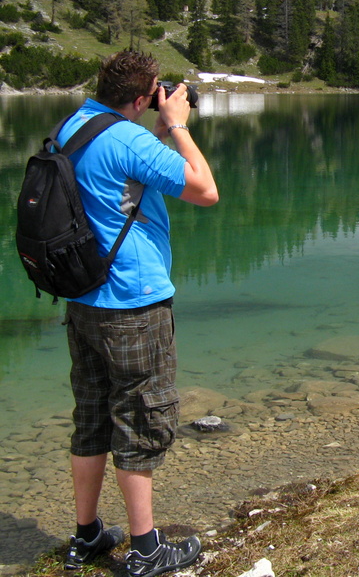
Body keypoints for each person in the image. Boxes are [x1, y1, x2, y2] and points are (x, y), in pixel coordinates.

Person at [57, 50, 219, 577]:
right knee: (141, 418)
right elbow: (205, 189)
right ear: (143, 95)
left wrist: (149, 118)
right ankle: (146, 548)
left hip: (83, 296)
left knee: (92, 415)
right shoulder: (132, 141)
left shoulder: (74, 124)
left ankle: (86, 537)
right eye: (156, 91)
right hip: (134, 299)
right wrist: (175, 126)